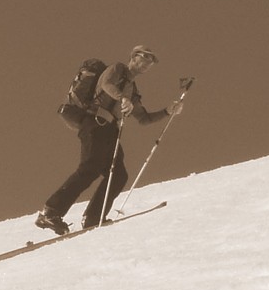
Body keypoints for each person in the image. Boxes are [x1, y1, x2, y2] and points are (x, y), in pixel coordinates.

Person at [35, 45, 183, 235]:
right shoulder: (117, 69)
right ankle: (51, 212)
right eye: (144, 57)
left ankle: (93, 217)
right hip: (94, 123)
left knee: (119, 175)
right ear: (134, 57)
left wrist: (167, 112)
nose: (148, 63)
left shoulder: (132, 89)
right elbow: (106, 84)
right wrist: (123, 99)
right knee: (89, 168)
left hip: (110, 131)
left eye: (151, 61)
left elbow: (143, 118)